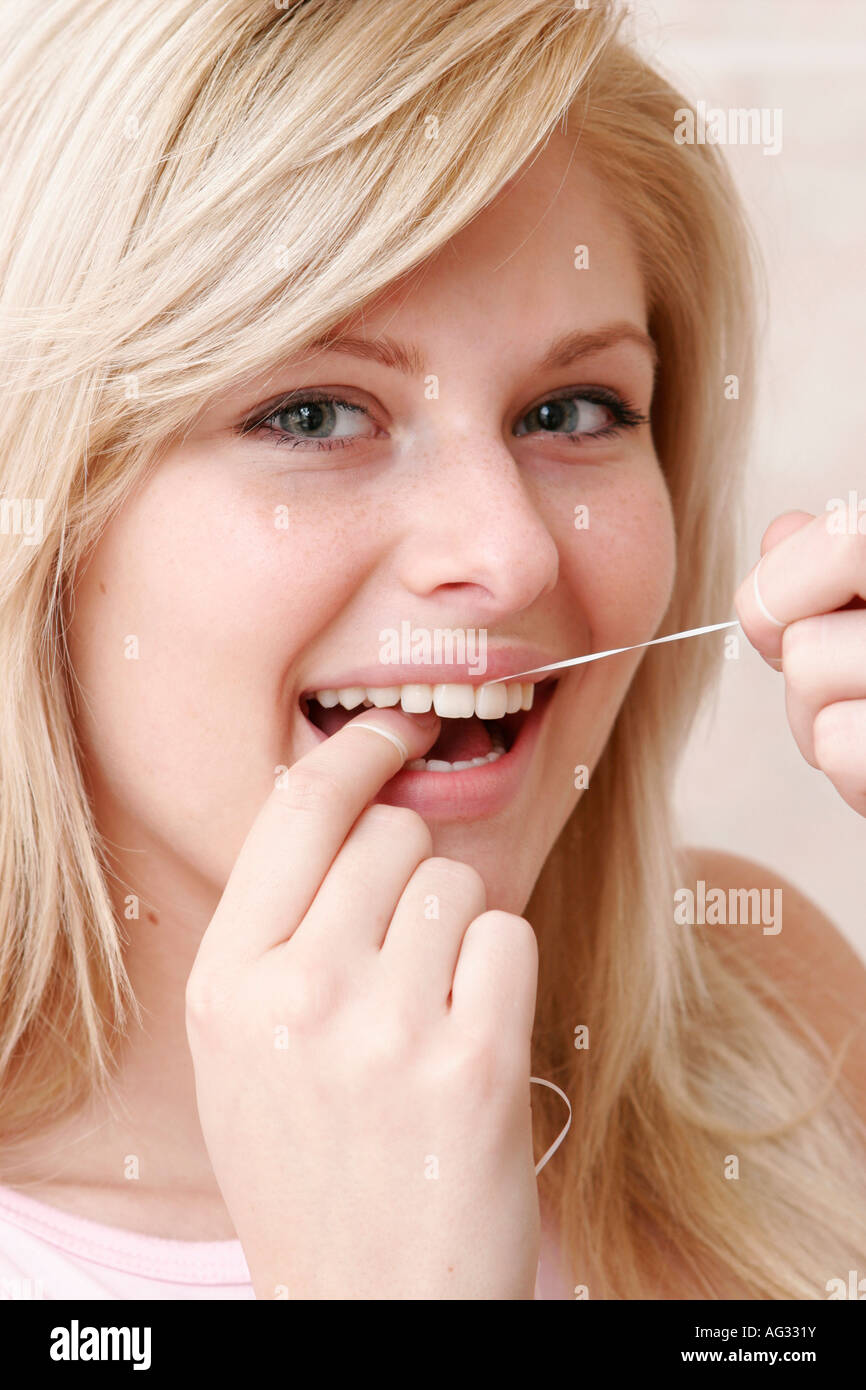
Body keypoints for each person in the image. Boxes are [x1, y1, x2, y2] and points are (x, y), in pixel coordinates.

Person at [0, 0, 863, 1301]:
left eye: (570, 409)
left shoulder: (762, 1015)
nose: (508, 552)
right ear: (46, 506)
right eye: (312, 410)